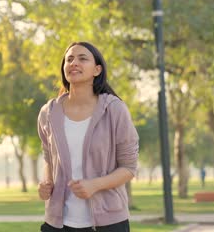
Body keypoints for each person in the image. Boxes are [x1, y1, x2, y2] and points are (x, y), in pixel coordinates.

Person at [37, 42, 139, 232]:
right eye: (69, 59)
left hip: (108, 222)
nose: (74, 62)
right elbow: (49, 159)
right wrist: (46, 183)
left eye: (82, 58)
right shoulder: (49, 112)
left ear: (97, 70)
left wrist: (95, 185)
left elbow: (129, 167)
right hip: (58, 223)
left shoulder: (114, 110)